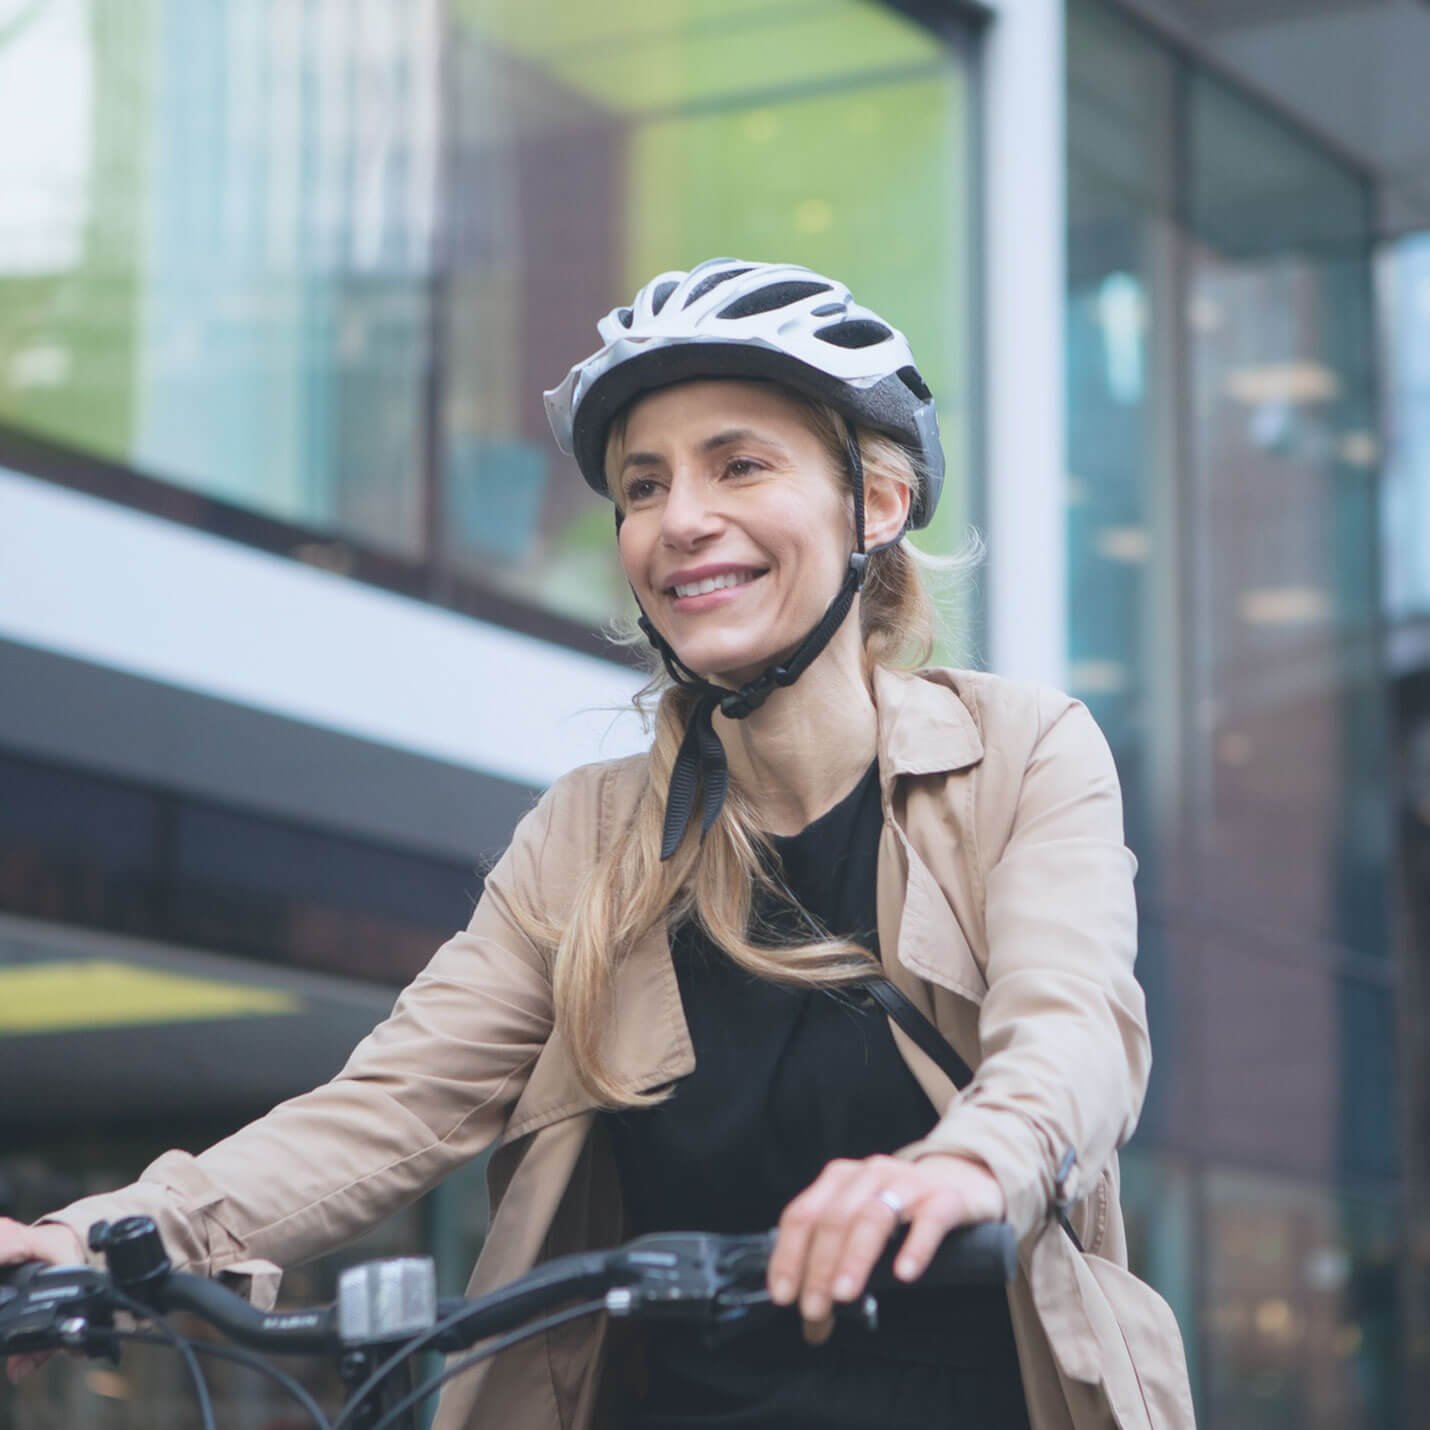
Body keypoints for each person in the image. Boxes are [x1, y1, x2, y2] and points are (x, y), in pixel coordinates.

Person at [1, 259, 1193, 1428]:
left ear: (871, 504)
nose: (680, 519)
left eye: (738, 463)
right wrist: (112, 1233)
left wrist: (969, 1163)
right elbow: (388, 1104)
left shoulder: (1019, 754)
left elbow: (1072, 1030)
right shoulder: (586, 834)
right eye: (641, 484)